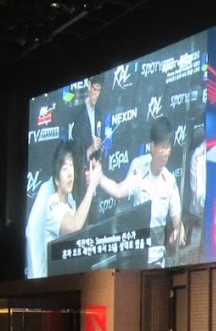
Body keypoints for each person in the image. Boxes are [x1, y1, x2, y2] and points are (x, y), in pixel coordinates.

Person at [99, 118, 184, 268]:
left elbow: (178, 223)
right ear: (152, 146)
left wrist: (179, 233)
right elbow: (118, 191)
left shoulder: (170, 181)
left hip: (157, 260)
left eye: (168, 147)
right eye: (162, 147)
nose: (166, 153)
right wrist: (98, 177)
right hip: (136, 259)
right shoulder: (139, 170)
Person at [29, 140, 103, 278]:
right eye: (64, 169)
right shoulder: (52, 204)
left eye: (71, 166)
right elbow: (74, 226)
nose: (70, 173)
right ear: (57, 180)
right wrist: (92, 186)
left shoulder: (71, 201)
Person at [67, 76, 106, 204]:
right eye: (94, 89)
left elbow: (102, 144)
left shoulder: (99, 113)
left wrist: (101, 148)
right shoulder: (78, 115)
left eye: (99, 91)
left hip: (95, 179)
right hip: (81, 182)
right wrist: (90, 149)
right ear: (89, 85)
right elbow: (75, 154)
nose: (96, 94)